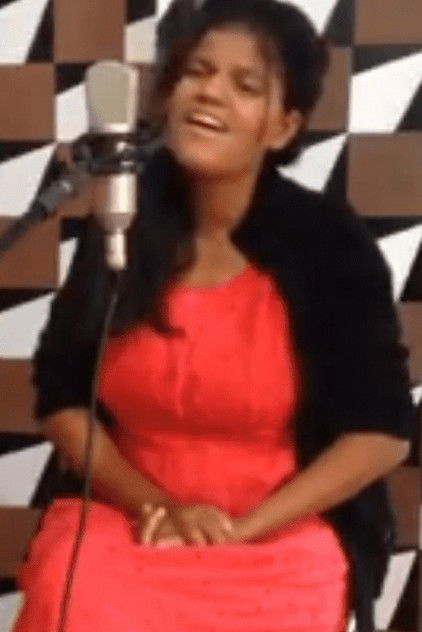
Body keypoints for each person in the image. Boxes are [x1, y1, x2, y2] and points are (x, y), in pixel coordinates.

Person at [13, 1, 415, 631]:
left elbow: (380, 435)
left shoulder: (330, 244)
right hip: (127, 514)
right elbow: (62, 398)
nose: (210, 93)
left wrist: (236, 532)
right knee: (80, 599)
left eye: (245, 85)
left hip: (279, 527)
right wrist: (157, 507)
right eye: (196, 72)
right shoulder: (123, 222)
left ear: (281, 127)